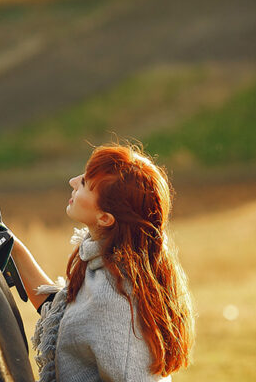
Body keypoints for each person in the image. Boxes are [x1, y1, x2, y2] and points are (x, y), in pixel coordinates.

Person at [11, 143, 195, 381]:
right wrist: (11, 246)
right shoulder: (108, 266)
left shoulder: (115, 298)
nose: (72, 181)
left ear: (105, 218)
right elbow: (61, 315)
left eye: (85, 183)